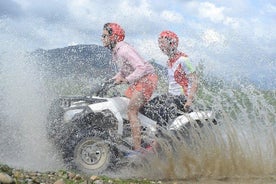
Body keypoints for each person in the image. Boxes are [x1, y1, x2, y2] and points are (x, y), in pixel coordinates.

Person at [101, 23, 158, 151]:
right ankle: (143, 136)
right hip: (138, 80)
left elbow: (141, 68)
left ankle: (138, 150)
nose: (102, 38)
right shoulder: (116, 52)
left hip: (147, 79)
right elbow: (124, 71)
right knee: (124, 104)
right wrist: (110, 81)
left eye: (104, 35)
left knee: (131, 110)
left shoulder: (124, 50)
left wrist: (126, 80)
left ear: (114, 37)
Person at [158, 30, 198, 112]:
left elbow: (195, 81)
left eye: (163, 43)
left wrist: (189, 101)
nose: (160, 46)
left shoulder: (184, 60)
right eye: (159, 43)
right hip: (171, 96)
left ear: (172, 43)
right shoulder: (169, 61)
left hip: (182, 98)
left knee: (159, 110)